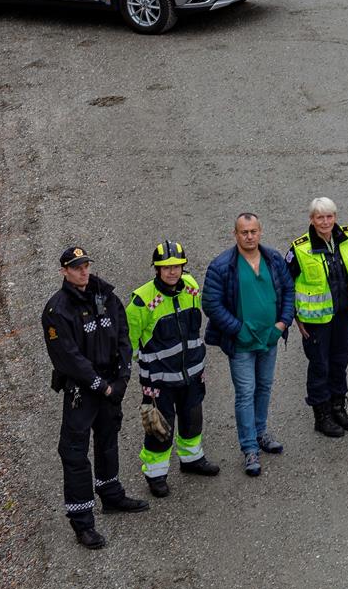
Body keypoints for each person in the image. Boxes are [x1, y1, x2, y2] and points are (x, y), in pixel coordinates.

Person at [44, 246, 148, 548]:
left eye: (85, 265)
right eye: (76, 267)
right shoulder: (57, 311)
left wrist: (122, 379)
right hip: (83, 392)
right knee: (75, 454)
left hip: (111, 387)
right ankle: (82, 523)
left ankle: (111, 495)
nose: (83, 271)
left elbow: (124, 338)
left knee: (108, 440)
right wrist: (101, 385)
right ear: (64, 271)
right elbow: (68, 357)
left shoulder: (107, 297)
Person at [126, 241, 221, 498]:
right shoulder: (143, 301)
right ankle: (156, 475)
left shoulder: (190, 287)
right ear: (156, 269)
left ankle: (192, 460)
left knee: (192, 419)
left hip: (191, 373)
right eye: (165, 267)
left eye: (176, 267)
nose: (172, 272)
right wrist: (146, 366)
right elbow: (128, 343)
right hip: (159, 381)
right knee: (159, 427)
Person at [203, 213, 294, 478]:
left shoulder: (274, 259)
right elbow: (211, 303)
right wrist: (238, 330)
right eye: (244, 232)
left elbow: (288, 291)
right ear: (235, 234)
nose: (249, 236)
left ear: (260, 232)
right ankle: (250, 447)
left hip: (269, 338)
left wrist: (282, 324)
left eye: (253, 231)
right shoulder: (222, 266)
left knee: (264, 387)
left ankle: (261, 432)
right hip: (241, 343)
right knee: (245, 392)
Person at [286, 198, 348, 439]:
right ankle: (322, 416)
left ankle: (338, 408)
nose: (325, 222)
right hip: (315, 321)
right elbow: (285, 284)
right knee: (320, 366)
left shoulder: (347, 239)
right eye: (320, 217)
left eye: (329, 216)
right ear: (311, 220)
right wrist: (295, 317)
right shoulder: (299, 248)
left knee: (340, 362)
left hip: (341, 315)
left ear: (335, 217)